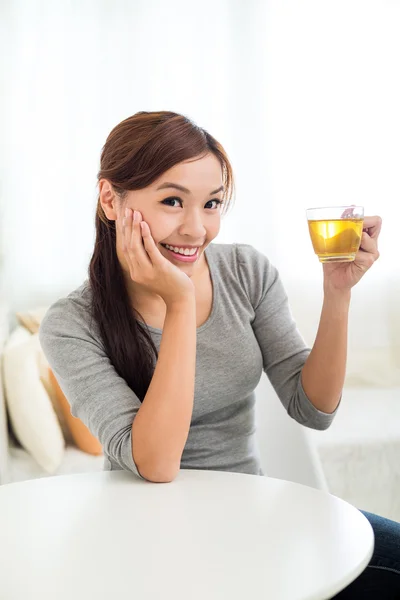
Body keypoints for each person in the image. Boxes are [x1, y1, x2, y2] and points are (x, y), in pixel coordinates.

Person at [39, 111, 399, 597]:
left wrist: (338, 292)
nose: (196, 229)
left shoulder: (246, 271)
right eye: (172, 201)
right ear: (110, 199)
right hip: (145, 535)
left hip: (250, 511)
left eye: (211, 204)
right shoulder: (72, 324)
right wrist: (181, 302)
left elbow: (313, 409)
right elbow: (157, 465)